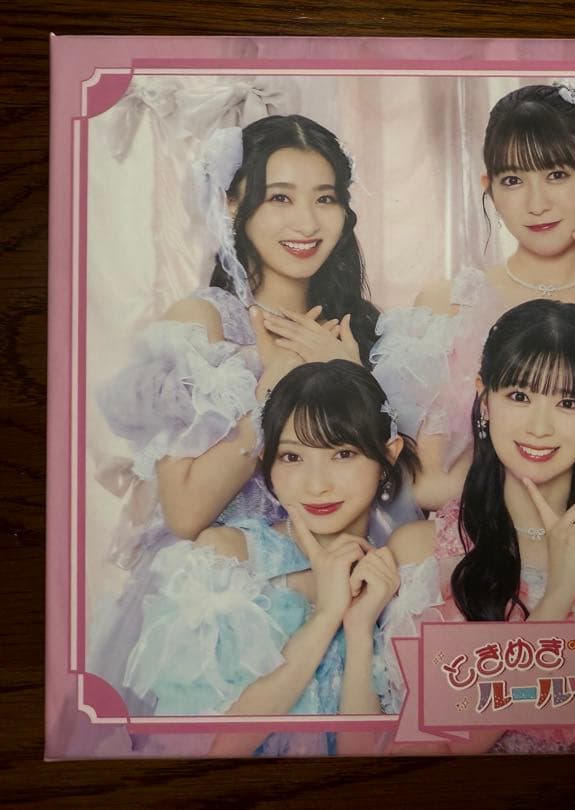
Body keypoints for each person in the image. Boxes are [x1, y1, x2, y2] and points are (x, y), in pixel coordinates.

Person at [90, 114, 387, 711]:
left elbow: (393, 479)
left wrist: (352, 376)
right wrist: (272, 385)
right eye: (280, 198)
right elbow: (185, 512)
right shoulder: (203, 324)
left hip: (350, 576)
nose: (307, 223)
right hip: (235, 590)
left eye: (325, 198)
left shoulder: (360, 328)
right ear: (233, 205)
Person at [377, 300, 575, 753]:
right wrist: (559, 594)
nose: (540, 427)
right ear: (484, 399)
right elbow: (440, 755)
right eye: (519, 396)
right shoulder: (422, 554)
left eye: (567, 402)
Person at [372, 82, 575, 510]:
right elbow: (424, 483)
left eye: (557, 175)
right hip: (476, 541)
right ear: (489, 187)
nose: (536, 203)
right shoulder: (446, 308)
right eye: (513, 180)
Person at [122, 360, 419, 756]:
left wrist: (359, 629)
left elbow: (366, 759)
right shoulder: (227, 561)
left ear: (389, 455)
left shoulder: (397, 580)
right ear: (267, 462)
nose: (317, 484)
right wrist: (326, 616)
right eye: (292, 457)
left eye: (343, 454)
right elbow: (216, 749)